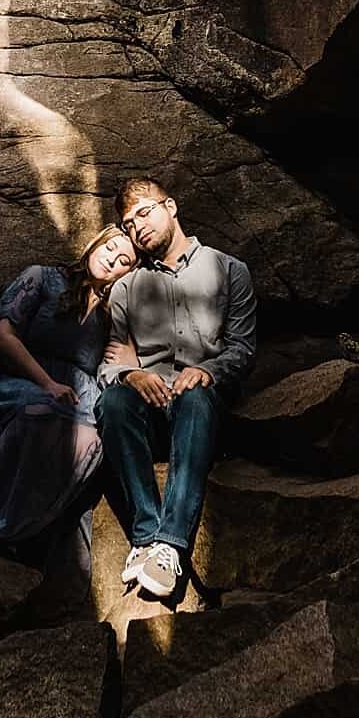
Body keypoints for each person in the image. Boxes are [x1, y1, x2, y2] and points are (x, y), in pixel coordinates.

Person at [0, 224, 138, 589]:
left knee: (90, 443)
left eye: (124, 259)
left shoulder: (114, 314)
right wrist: (47, 383)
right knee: (43, 413)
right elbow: (2, 336)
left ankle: (20, 536)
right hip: (23, 382)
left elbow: (117, 366)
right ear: (95, 243)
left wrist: (131, 359)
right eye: (110, 247)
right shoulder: (42, 278)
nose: (113, 258)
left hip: (82, 400)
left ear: (128, 273)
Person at [98, 173, 256, 602]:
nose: (138, 227)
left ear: (170, 208)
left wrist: (210, 370)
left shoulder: (229, 270)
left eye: (144, 213)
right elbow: (111, 362)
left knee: (197, 395)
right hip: (149, 410)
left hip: (203, 410)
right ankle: (146, 536)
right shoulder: (126, 289)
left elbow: (243, 348)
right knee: (112, 402)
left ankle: (170, 545)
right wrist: (133, 375)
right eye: (129, 224)